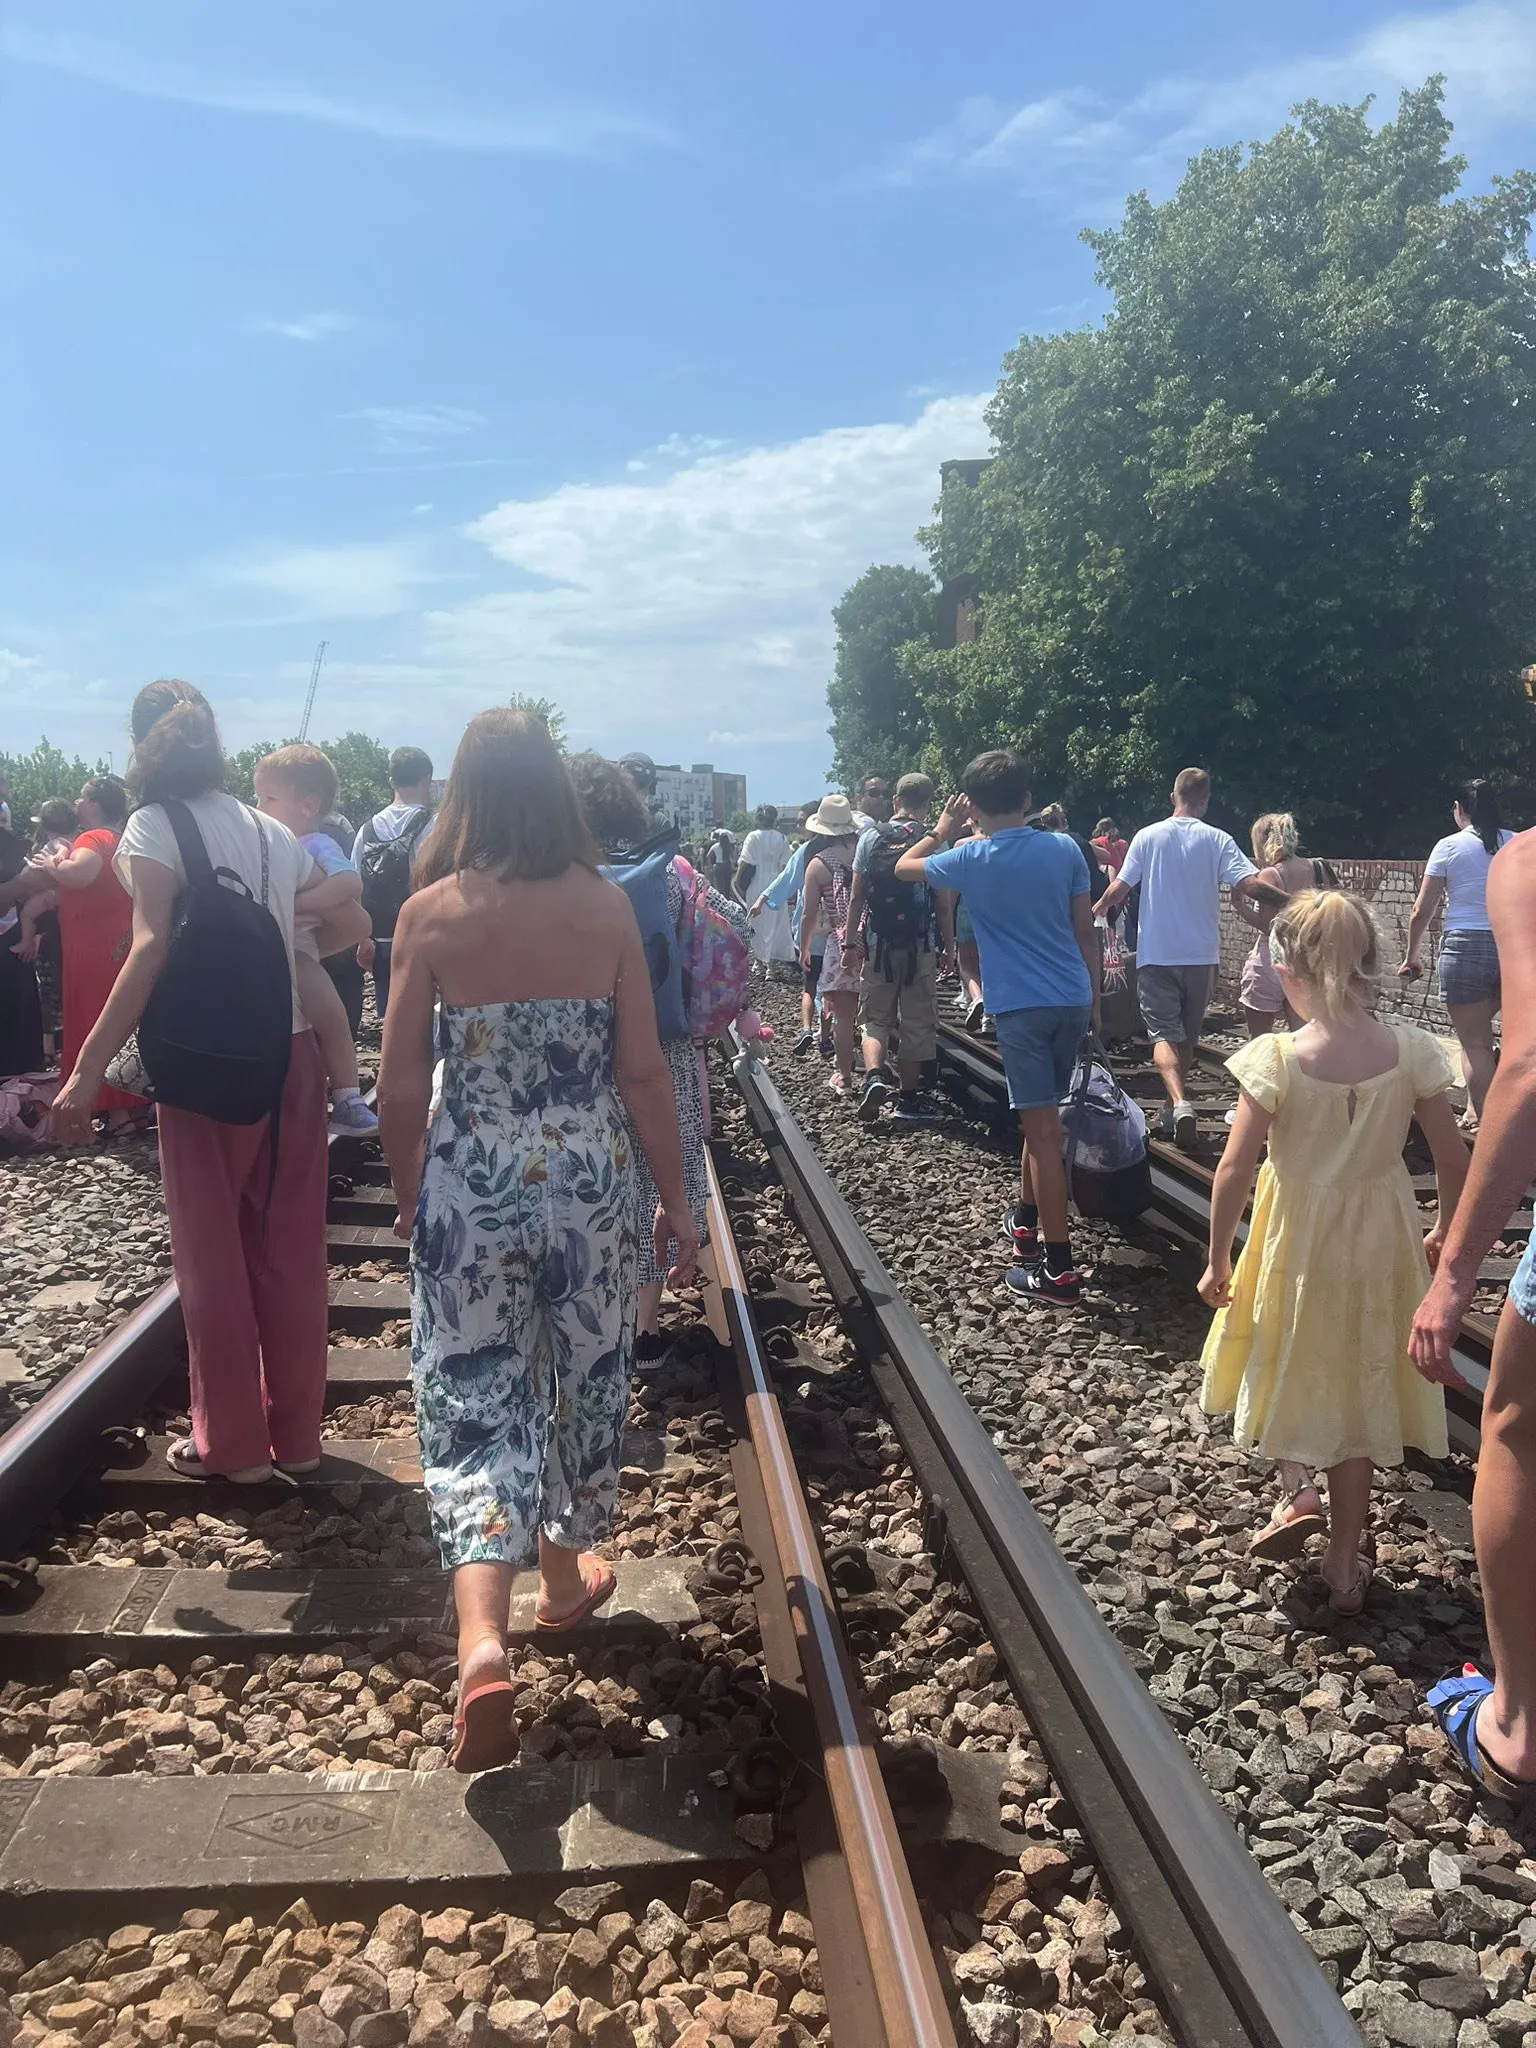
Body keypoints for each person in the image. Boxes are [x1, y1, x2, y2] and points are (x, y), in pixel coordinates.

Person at [376, 711, 697, 1771]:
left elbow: (396, 1086)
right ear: (556, 793)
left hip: (475, 1183)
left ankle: (481, 1644)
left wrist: (417, 1191)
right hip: (589, 1183)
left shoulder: (429, 913)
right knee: (587, 1376)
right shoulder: (604, 906)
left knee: (473, 1395)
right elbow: (645, 1072)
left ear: (463, 793)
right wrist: (676, 1199)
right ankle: (562, 1578)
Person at [50, 680, 341, 1482]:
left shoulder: (152, 825)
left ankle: (235, 1449)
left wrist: (84, 1073)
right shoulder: (266, 827)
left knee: (209, 1254)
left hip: (203, 1063)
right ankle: (301, 1443)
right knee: (288, 1248)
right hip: (289, 1057)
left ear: (141, 744)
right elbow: (340, 914)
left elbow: (148, 949)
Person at [1200, 891, 1468, 1612]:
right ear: (1370, 966)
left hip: (1296, 1239)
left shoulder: (1278, 1056)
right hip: (1379, 1243)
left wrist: (1218, 1257)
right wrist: (1444, 1226)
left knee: (1287, 1358)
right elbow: (1453, 1156)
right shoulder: (1411, 1049)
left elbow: (1232, 1167)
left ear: (1287, 970)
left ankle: (1297, 1491)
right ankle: (1345, 1566)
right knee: (1356, 1386)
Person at [1411, 828, 1536, 1799]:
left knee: (1516, 1423)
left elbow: (1526, 1070)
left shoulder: (1527, 863)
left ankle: (1515, 1724)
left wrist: (1456, 1270)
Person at [896, 750, 1100, 1307]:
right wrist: (1097, 999)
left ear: (974, 809)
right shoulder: (1065, 849)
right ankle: (1026, 1221)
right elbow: (1087, 932)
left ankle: (1057, 1274)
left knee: (1043, 1134)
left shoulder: (970, 858)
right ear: (1029, 799)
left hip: (1021, 1010)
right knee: (1044, 1122)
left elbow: (901, 866)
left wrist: (941, 830)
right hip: (1072, 999)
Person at [569, 754, 733, 1369]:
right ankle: (642, 1331)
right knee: (654, 1184)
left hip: (579, 1056)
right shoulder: (671, 871)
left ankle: (585, 1319)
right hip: (661, 1046)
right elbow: (733, 926)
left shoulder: (553, 876)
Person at [1095, 768, 1265, 1147]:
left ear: (1174, 797)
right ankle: (1175, 1108)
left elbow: (1120, 887)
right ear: (1205, 801)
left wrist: (1097, 910)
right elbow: (1248, 883)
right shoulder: (1218, 838)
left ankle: (1179, 1100)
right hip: (1201, 956)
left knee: (1162, 1035)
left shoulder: (1148, 836)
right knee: (1186, 1036)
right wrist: (1295, 902)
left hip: (1158, 955)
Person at [253, 746, 379, 1135]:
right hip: (266, 948)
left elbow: (349, 882)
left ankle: (347, 1097)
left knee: (332, 1016)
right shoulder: (262, 842)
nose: (257, 806)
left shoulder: (316, 844)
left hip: (299, 951)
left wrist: (293, 903)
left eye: (268, 799)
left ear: (308, 805)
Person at [27, 776, 148, 1130]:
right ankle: (134, 1105)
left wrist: (53, 866)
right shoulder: (124, 839)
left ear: (95, 805)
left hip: (92, 946)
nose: (77, 803)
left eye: (82, 796)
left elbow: (80, 874)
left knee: (92, 1018)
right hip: (121, 940)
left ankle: (117, 1112)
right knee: (123, 1019)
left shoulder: (92, 838)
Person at [1401, 779, 1515, 1128]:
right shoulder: (1517, 843)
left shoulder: (1449, 847)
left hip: (1465, 948)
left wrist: (1411, 955)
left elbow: (1422, 910)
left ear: (1459, 808)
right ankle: (1483, 1112)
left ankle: (1488, 1122)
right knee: (1515, 1043)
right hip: (1512, 947)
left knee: (1474, 1043)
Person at [846, 772, 949, 1124]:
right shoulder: (934, 840)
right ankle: (907, 1099)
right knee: (917, 1022)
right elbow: (943, 901)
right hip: (919, 945)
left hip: (878, 944)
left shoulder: (870, 837)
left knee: (875, 1020)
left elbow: (857, 895)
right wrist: (947, 946)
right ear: (927, 804)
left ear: (896, 802)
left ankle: (874, 1076)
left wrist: (849, 942)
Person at [353, 746, 435, 1022]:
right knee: (428, 1023)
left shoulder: (366, 830)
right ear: (427, 780)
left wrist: (363, 939)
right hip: (426, 937)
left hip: (382, 941)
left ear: (391, 782)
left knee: (393, 1019)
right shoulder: (436, 825)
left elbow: (355, 887)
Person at [1237, 814, 1336, 1038]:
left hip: (1271, 961)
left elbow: (1267, 926)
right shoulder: (1318, 868)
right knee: (1303, 1041)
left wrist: (1240, 907)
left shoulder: (1270, 874)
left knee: (1260, 1043)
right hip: (1306, 961)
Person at [750, 804, 832, 1058]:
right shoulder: (850, 849)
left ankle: (809, 1028)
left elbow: (787, 878)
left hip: (813, 928)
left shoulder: (809, 851)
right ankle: (830, 1032)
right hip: (842, 930)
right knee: (835, 984)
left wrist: (762, 898)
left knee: (811, 983)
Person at [799, 796, 865, 1097]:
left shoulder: (819, 864)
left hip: (842, 946)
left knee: (844, 1013)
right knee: (879, 1012)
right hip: (875, 941)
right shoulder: (869, 852)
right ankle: (878, 1067)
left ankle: (844, 1075)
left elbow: (809, 913)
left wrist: (804, 947)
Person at [735, 806, 794, 976]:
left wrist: (738, 882)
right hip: (776, 883)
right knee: (775, 923)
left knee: (756, 923)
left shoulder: (752, 836)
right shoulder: (782, 838)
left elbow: (745, 862)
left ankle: (758, 962)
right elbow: (785, 866)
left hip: (756, 882)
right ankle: (771, 967)